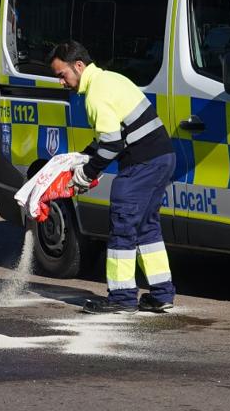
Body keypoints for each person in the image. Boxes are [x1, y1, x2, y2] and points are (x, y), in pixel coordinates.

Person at [48, 41, 176, 315]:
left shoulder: (95, 94)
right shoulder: (110, 80)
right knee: (146, 227)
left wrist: (85, 173)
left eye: (62, 75)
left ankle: (122, 297)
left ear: (78, 66)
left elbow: (111, 145)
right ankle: (161, 294)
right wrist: (84, 157)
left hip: (141, 163)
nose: (62, 83)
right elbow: (110, 138)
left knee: (122, 225)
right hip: (162, 157)